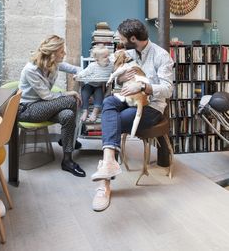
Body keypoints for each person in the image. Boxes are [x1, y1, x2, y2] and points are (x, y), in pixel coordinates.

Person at [91, 19, 174, 211]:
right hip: (127, 99)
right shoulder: (127, 53)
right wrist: (121, 77)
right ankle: (110, 162)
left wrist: (143, 86)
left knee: (113, 122)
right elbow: (117, 80)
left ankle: (104, 184)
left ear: (133, 38)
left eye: (121, 38)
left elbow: (168, 90)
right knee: (109, 102)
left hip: (152, 107)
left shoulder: (161, 56)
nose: (118, 40)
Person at [18, 35, 86, 177]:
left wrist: (84, 73)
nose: (64, 54)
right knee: (71, 100)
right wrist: (69, 92)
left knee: (68, 115)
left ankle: (67, 160)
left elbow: (76, 69)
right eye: (62, 51)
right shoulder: (31, 69)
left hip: (45, 106)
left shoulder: (54, 63)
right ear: (53, 53)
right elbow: (47, 96)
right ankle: (68, 140)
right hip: (28, 109)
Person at [75, 44, 113, 122]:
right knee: (84, 92)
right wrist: (78, 76)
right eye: (105, 57)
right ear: (97, 59)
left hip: (99, 86)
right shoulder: (93, 66)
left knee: (99, 94)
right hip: (89, 84)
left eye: (108, 55)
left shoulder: (111, 65)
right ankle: (85, 110)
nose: (108, 58)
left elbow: (115, 72)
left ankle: (95, 112)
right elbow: (84, 73)